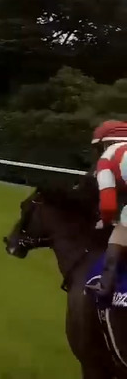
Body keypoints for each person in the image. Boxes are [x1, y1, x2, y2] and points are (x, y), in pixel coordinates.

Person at [90, 120, 127, 307]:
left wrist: (105, 221)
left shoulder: (107, 158)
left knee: (117, 238)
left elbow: (108, 204)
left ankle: (104, 291)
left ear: (106, 143)